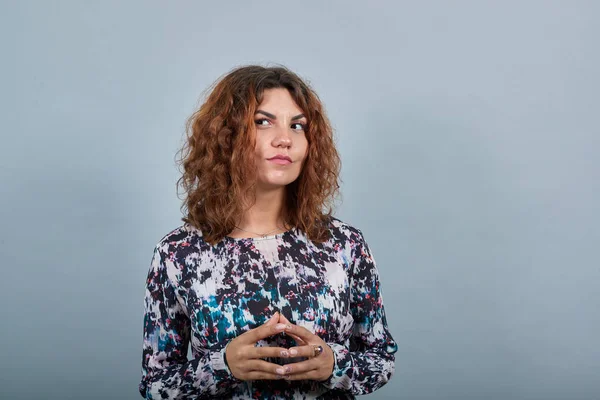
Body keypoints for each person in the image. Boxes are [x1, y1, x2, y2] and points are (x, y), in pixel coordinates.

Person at [139, 65, 398, 399]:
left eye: (298, 125)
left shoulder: (345, 245)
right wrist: (221, 366)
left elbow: (381, 361)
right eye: (263, 122)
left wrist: (336, 365)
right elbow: (156, 385)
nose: (285, 139)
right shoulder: (178, 253)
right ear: (225, 135)